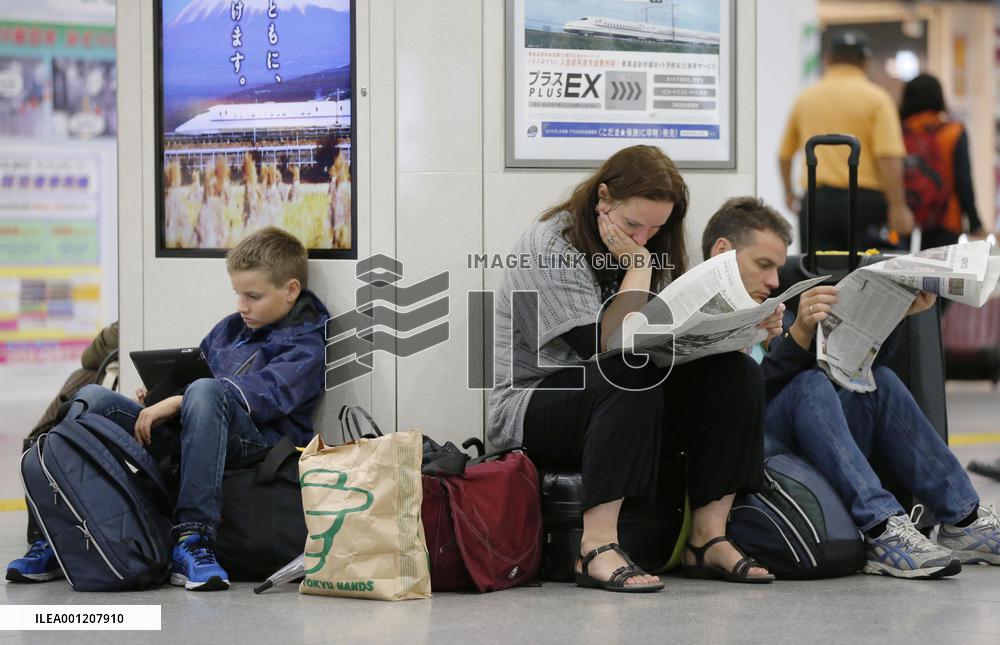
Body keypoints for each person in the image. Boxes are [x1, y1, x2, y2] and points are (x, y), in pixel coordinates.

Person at [488, 145, 783, 592]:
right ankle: (596, 548)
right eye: (632, 225)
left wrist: (741, 334)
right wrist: (639, 266)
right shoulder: (549, 243)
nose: (643, 237)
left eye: (655, 229)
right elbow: (608, 347)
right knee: (626, 368)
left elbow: (664, 342)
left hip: (622, 394)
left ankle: (708, 538)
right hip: (531, 401)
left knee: (734, 375)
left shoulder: (656, 241)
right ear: (603, 198)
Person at [6, 227, 330, 590]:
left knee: (206, 391)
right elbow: (197, 374)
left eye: (253, 296)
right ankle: (55, 533)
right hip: (196, 428)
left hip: (256, 449)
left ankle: (193, 539)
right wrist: (162, 395)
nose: (242, 306)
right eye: (238, 295)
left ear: (290, 291)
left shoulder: (307, 344)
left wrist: (183, 396)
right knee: (93, 400)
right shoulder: (230, 329)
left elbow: (264, 394)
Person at [702, 196, 1000, 579]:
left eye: (777, 267)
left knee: (880, 385)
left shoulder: (775, 308)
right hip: (753, 457)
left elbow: (847, 372)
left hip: (808, 448)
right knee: (808, 384)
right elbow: (738, 400)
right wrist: (798, 338)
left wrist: (895, 315)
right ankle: (880, 527)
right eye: (764, 265)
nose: (775, 280)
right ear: (722, 252)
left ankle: (965, 518)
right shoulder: (702, 318)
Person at [779, 30, 914, 252]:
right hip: (865, 204)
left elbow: (784, 155)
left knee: (818, 275)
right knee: (865, 275)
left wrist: (788, 192)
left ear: (828, 59)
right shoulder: (877, 99)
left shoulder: (806, 98)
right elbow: (888, 157)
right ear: (866, 62)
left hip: (816, 203)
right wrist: (898, 206)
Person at [900, 73, 986, 249]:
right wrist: (975, 223)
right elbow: (963, 181)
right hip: (946, 220)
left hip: (904, 220)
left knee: (899, 273)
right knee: (941, 275)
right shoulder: (953, 132)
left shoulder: (898, 132)